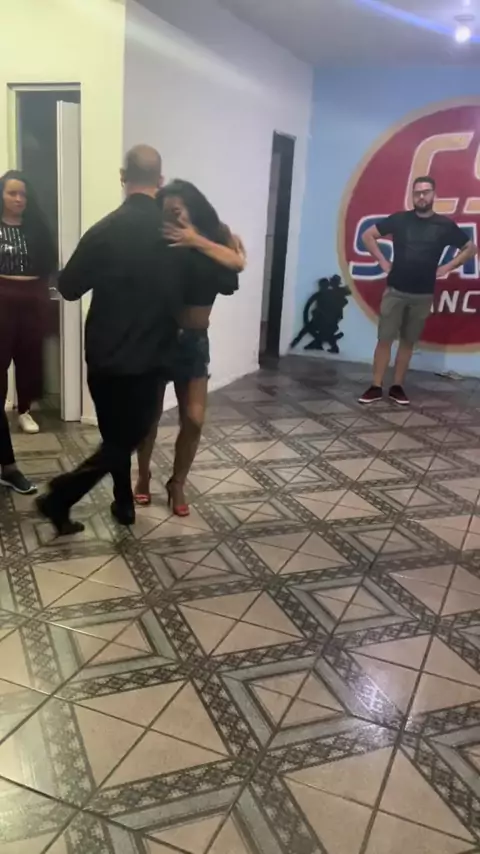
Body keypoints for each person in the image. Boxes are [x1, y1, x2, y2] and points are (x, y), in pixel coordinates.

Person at [36, 146, 190, 536]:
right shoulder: (174, 236)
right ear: (159, 180)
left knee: (114, 437)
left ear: (123, 177)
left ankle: (123, 504)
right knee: (125, 439)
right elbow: (190, 294)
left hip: (104, 354)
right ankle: (61, 495)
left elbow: (69, 288)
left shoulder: (102, 231)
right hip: (150, 357)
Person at [134, 180, 245, 514]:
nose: (175, 215)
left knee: (194, 419)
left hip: (195, 341)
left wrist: (197, 240)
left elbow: (236, 265)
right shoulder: (158, 241)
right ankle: (142, 475)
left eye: (179, 208)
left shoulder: (212, 236)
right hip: (159, 336)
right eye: (168, 210)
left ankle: (177, 483)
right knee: (149, 418)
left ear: (194, 207)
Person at [358, 175, 477, 406]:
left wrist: (448, 267)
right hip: (395, 291)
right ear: (412, 195)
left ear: (433, 195)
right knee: (384, 339)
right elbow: (367, 235)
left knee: (407, 342)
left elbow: (470, 248)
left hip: (422, 295)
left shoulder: (444, 225)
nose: (421, 196)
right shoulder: (399, 219)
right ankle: (376, 386)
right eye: (417, 192)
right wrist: (382, 261)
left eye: (425, 192)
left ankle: (397, 386)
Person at [0, 171, 56, 495]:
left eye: (23, 194)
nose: (19, 199)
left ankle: (24, 409)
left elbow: (49, 265)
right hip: (1, 303)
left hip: (32, 301)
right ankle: (8, 466)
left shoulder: (38, 228)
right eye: (12, 193)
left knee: (30, 361)